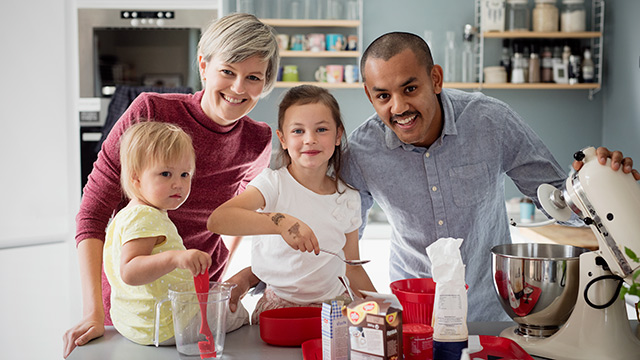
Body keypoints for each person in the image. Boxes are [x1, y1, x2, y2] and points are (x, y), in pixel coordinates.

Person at [340, 31, 639, 322]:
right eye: (383, 95)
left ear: (435, 79)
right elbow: (341, 241)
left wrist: (599, 185)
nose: (399, 107)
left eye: (410, 89)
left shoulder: (491, 121)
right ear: (369, 95)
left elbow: (559, 201)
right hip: (414, 320)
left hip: (491, 317)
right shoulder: (362, 151)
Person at [62, 13, 279, 358]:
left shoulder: (258, 139)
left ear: (266, 82)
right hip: (139, 300)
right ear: (204, 65)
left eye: (253, 77)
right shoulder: (150, 111)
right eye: (228, 71)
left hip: (200, 295)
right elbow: (92, 214)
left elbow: (237, 212)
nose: (239, 88)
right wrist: (93, 311)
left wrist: (223, 275)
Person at [207, 85, 376, 323]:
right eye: (298, 131)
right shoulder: (272, 184)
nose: (310, 139)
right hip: (279, 310)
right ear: (283, 139)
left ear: (338, 135)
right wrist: (280, 222)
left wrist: (386, 310)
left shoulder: (349, 197)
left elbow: (353, 268)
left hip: (334, 311)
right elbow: (219, 220)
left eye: (322, 129)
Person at [103, 121, 212, 345]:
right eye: (165, 174)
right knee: (235, 311)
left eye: (184, 174)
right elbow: (130, 271)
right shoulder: (145, 216)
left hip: (137, 325)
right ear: (136, 179)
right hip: (167, 325)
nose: (178, 184)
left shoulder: (131, 213)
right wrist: (176, 257)